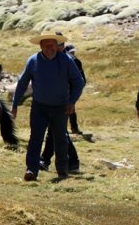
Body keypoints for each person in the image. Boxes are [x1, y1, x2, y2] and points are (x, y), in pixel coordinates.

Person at [11, 31, 85, 181]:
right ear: (41, 46)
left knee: (61, 140)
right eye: (46, 46)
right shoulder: (33, 61)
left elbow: (79, 81)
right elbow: (22, 83)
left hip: (61, 107)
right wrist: (15, 104)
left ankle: (62, 171)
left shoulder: (66, 60)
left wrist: (72, 102)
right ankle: (31, 170)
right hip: (39, 107)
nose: (50, 48)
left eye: (53, 45)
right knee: (35, 139)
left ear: (57, 46)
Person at [39, 40, 83, 173]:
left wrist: (71, 99)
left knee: (57, 132)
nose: (52, 48)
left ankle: (47, 161)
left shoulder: (70, 60)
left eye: (57, 45)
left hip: (64, 102)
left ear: (62, 46)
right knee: (56, 132)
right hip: (52, 102)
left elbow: (80, 81)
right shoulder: (48, 60)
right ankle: (70, 163)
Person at [64, 43, 86, 134]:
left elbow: (81, 76)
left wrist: (80, 86)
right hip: (64, 88)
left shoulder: (77, 61)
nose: (72, 54)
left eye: (73, 52)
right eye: (71, 52)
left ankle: (74, 128)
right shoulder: (64, 61)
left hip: (72, 89)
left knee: (71, 108)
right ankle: (63, 128)